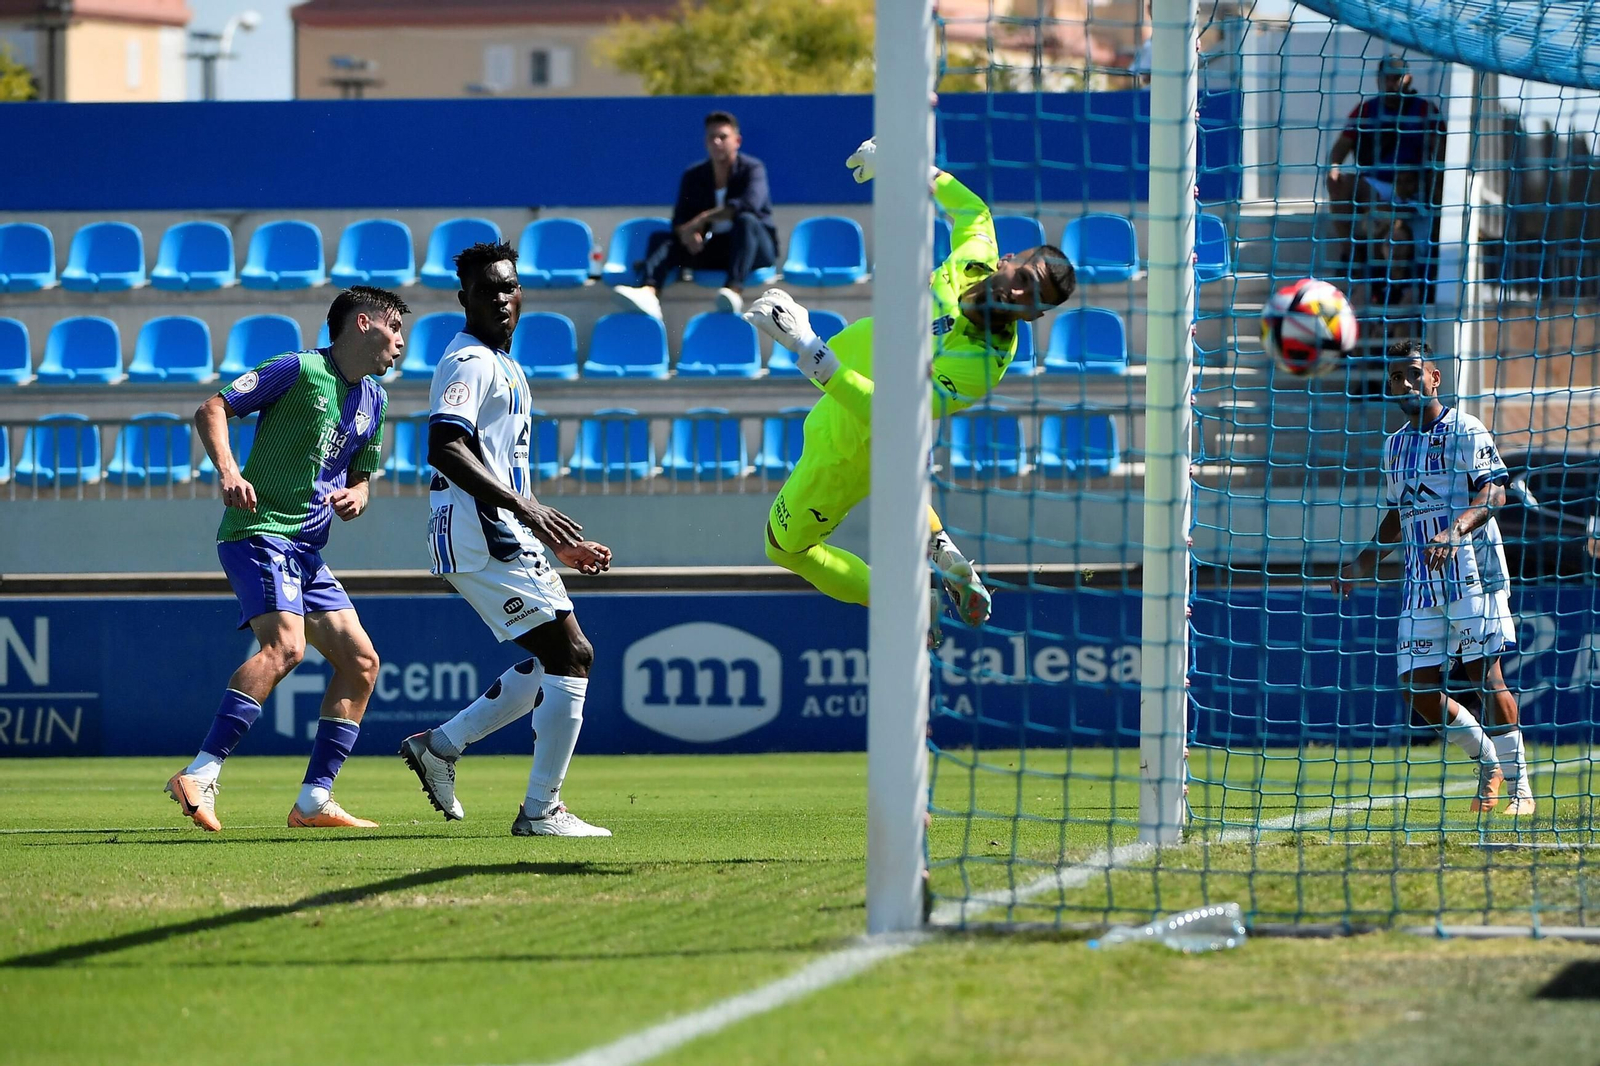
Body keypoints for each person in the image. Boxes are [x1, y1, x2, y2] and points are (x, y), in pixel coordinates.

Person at [743, 137, 1075, 643]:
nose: (1019, 293)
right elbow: (971, 209)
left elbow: (892, 416)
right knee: (894, 477)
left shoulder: (984, 360)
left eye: (1035, 298)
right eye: (1025, 277)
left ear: (1034, 315)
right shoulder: (973, 257)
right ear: (1008, 260)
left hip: (851, 436)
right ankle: (943, 553)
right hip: (868, 419)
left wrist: (807, 346)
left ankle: (903, 604)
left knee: (784, 548)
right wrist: (904, 163)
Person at [165, 286, 406, 831]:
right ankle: (200, 773)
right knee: (285, 647)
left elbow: (362, 471)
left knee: (362, 663)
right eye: (396, 331)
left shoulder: (377, 400)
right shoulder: (294, 369)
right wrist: (229, 470)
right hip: (259, 530)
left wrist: (359, 494)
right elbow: (213, 409)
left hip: (308, 550)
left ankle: (314, 800)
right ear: (363, 324)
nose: (400, 346)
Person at [399, 241, 614, 837]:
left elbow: (500, 462)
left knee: (557, 657)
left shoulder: (505, 364)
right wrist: (527, 511)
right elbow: (445, 445)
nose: (501, 297)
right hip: (481, 533)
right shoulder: (469, 361)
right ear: (463, 297)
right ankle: (541, 810)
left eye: (509, 286)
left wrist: (548, 535)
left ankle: (441, 747)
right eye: (488, 288)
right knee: (573, 654)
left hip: (500, 528)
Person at [1331, 340, 1534, 816]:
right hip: (1421, 581)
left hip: (1473, 573)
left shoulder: (1465, 428)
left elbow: (1495, 495)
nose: (1404, 383)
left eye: (1412, 374)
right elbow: (1397, 514)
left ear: (1434, 377)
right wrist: (1362, 563)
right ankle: (1488, 762)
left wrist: (1454, 530)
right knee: (1416, 688)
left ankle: (1522, 790)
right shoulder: (1394, 444)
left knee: (1484, 676)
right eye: (1395, 377)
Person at [612, 109, 780, 320]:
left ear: (737, 141)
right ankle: (650, 292)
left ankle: (733, 291)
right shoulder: (694, 175)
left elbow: (747, 206)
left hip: (754, 251)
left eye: (723, 137)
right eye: (712, 137)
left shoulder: (753, 169)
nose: (717, 142)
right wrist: (686, 234)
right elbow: (680, 219)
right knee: (661, 238)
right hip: (715, 250)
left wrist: (701, 220)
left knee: (746, 221)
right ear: (705, 142)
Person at [1325, 55, 1446, 273]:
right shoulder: (1365, 111)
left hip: (1413, 188)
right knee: (1341, 185)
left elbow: (1441, 151)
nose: (1391, 84)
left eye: (1396, 78)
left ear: (1408, 79)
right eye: (1387, 79)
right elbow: (1341, 146)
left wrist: (1428, 185)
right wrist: (1334, 167)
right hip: (1375, 185)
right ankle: (1352, 255)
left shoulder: (1425, 110)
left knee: (1390, 224)